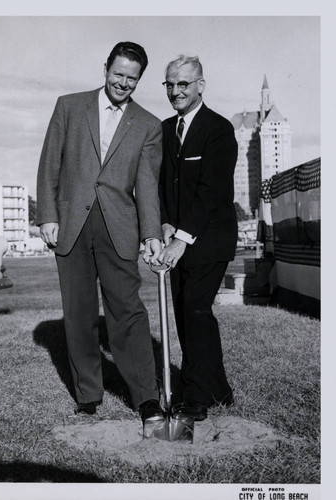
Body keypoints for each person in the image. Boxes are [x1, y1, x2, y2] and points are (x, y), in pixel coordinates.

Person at [36, 42, 164, 426]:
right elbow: (49, 165)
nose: (123, 82)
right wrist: (47, 216)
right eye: (118, 73)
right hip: (71, 226)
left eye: (132, 78)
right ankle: (88, 395)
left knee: (128, 313)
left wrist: (152, 233)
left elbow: (147, 186)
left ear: (140, 79)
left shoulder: (148, 125)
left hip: (119, 228)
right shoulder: (68, 106)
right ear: (105, 67)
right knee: (78, 314)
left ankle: (146, 398)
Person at [158, 55, 238, 421]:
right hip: (177, 240)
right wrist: (163, 226)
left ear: (200, 86)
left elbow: (210, 191)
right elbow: (160, 187)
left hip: (209, 241)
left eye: (183, 84)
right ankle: (219, 389)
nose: (176, 91)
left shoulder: (219, 130)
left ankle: (196, 399)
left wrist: (181, 239)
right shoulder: (163, 130)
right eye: (170, 84)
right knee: (189, 314)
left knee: (195, 311)